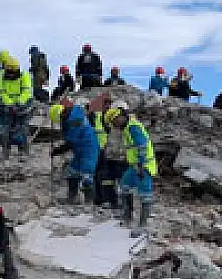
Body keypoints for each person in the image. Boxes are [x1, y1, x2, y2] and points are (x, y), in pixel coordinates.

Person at [106, 106, 156, 237]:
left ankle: (142, 225)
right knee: (124, 187)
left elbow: (142, 146)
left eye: (114, 121)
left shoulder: (133, 127)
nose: (114, 125)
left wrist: (140, 164)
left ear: (120, 116)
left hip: (143, 166)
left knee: (145, 195)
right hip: (134, 166)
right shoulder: (128, 127)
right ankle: (127, 217)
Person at [50, 102, 100, 205]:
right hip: (79, 150)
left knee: (87, 174)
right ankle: (72, 198)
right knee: (72, 172)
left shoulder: (75, 120)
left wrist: (57, 151)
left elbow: (70, 143)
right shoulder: (72, 114)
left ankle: (89, 202)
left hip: (88, 149)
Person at [0, 57, 33, 159]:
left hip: (23, 103)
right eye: (9, 72)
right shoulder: (2, 76)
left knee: (22, 128)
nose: (11, 75)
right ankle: (6, 151)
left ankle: (23, 151)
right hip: (8, 104)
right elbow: (2, 91)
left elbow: (26, 91)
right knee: (4, 128)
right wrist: (8, 104)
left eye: (13, 72)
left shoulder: (24, 75)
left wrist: (18, 103)